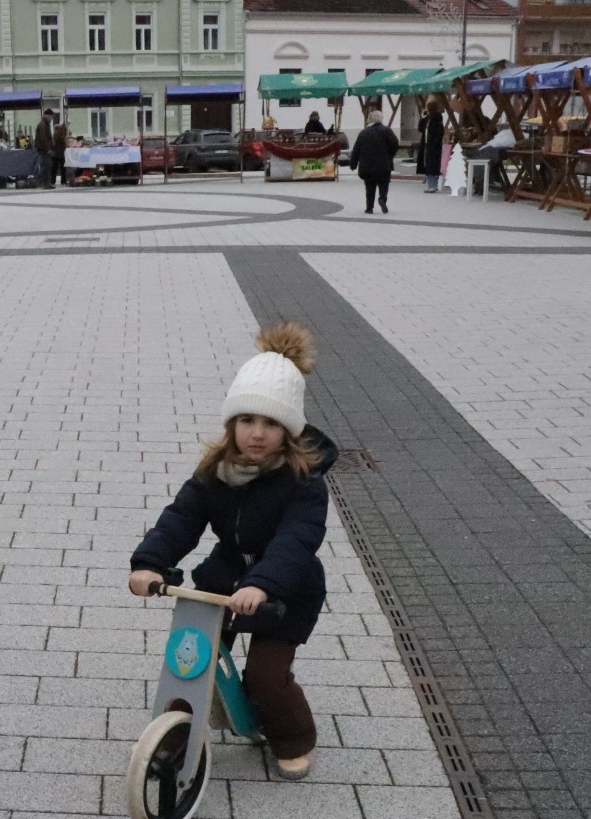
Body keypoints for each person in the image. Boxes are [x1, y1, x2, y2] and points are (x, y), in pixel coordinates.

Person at [128, 323, 335, 781]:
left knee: (265, 675)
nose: (256, 434)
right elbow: (181, 519)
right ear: (231, 424)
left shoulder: (303, 484)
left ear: (289, 431)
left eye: (271, 423)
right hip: (224, 578)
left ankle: (293, 736)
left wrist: (263, 583)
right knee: (189, 658)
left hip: (285, 591)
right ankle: (178, 734)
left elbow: (296, 541)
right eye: (247, 421)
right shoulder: (215, 472)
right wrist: (149, 562)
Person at [349, 109, 399, 215]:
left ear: (370, 119)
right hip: (384, 165)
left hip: (367, 166)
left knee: (369, 187)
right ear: (381, 119)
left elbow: (356, 149)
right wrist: (390, 155)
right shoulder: (387, 131)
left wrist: (353, 163)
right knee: (384, 184)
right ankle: (382, 199)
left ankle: (369, 208)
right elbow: (395, 144)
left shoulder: (364, 132)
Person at [420, 101, 445, 193]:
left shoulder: (437, 117)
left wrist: (434, 143)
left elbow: (439, 131)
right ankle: (431, 185)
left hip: (433, 146)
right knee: (427, 164)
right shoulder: (428, 118)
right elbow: (420, 128)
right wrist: (422, 118)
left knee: (432, 165)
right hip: (427, 144)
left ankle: (433, 185)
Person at [34, 109, 56, 188]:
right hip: (43, 150)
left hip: (43, 149)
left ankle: (45, 183)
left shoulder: (44, 124)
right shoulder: (43, 125)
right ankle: (38, 181)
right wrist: (48, 149)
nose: (52, 118)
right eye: (51, 117)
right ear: (47, 116)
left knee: (47, 165)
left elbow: (47, 138)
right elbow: (43, 139)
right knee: (46, 165)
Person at [51, 114, 69, 186]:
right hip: (60, 154)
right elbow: (64, 143)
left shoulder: (54, 135)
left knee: (54, 168)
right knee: (62, 168)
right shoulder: (59, 136)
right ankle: (63, 181)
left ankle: (53, 181)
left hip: (55, 154)